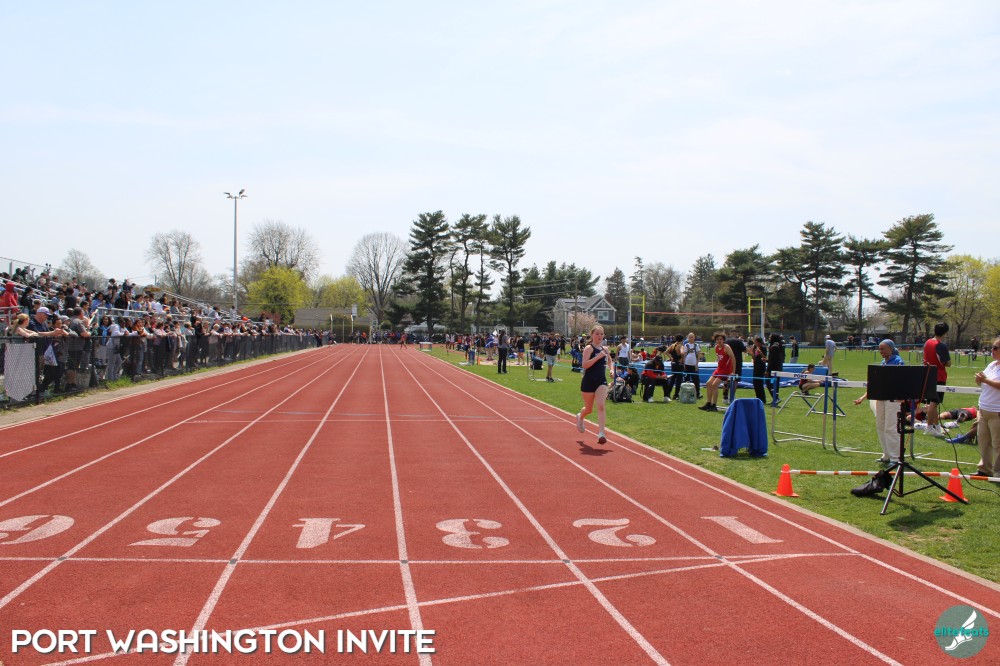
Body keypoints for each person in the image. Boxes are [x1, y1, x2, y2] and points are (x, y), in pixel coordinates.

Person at [853, 339, 906, 465]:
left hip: (893, 399)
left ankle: (895, 457)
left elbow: (903, 380)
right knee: (880, 426)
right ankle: (886, 454)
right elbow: (876, 384)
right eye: (879, 349)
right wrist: (863, 397)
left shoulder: (898, 362)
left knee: (890, 428)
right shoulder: (883, 363)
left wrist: (902, 395)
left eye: (883, 349)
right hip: (880, 398)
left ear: (890, 349)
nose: (880, 351)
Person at [576, 325, 612, 444]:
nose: (599, 336)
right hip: (588, 382)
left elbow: (610, 361)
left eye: (601, 334)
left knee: (601, 405)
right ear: (592, 335)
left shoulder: (605, 349)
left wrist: (611, 370)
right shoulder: (589, 348)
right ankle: (580, 417)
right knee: (589, 409)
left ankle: (601, 433)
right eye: (597, 334)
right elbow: (584, 365)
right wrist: (598, 357)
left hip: (601, 381)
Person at [973, 337, 1000, 478]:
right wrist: (979, 379)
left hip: (997, 411)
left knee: (998, 444)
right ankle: (984, 469)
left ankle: (998, 472)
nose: (992, 350)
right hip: (984, 409)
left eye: (995, 348)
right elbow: (982, 383)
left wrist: (985, 380)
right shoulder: (991, 365)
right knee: (984, 442)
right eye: (992, 348)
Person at [922, 322, 951, 437]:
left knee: (934, 403)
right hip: (938, 376)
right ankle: (929, 427)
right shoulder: (941, 346)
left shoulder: (927, 342)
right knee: (933, 403)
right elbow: (948, 363)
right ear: (945, 333)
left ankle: (937, 427)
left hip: (928, 375)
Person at [700, 332, 734, 412]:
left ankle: (714, 405)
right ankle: (708, 403)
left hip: (726, 370)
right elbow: (719, 358)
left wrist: (733, 371)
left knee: (714, 385)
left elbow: (733, 358)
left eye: (721, 339)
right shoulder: (716, 347)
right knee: (708, 383)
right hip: (719, 369)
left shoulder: (726, 347)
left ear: (723, 340)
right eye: (717, 339)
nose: (719, 341)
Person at [725, 332, 745, 403]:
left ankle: (725, 396)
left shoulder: (726, 341)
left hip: (727, 362)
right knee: (735, 380)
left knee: (727, 379)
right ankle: (732, 396)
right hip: (737, 362)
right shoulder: (739, 341)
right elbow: (744, 350)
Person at [766, 333, 784, 407]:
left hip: (773, 370)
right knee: (775, 384)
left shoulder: (774, 347)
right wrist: (767, 360)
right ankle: (775, 398)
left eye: (770, 337)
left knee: (769, 383)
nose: (769, 338)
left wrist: (768, 370)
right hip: (778, 368)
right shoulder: (779, 346)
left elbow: (772, 361)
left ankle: (776, 398)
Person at [682, 332, 702, 400]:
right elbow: (684, 355)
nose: (691, 338)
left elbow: (698, 355)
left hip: (694, 365)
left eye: (692, 337)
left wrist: (697, 364)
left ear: (694, 338)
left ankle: (697, 394)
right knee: (686, 380)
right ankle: (685, 393)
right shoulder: (686, 345)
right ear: (688, 338)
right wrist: (684, 364)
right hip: (687, 364)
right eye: (689, 337)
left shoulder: (696, 345)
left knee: (696, 380)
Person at [749, 336, 767, 404]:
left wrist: (760, 352)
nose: (754, 343)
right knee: (755, 383)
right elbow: (754, 357)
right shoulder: (755, 347)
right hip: (756, 366)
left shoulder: (763, 348)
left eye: (756, 341)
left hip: (761, 367)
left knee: (759, 383)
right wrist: (751, 353)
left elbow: (764, 357)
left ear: (759, 342)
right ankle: (758, 398)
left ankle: (763, 399)